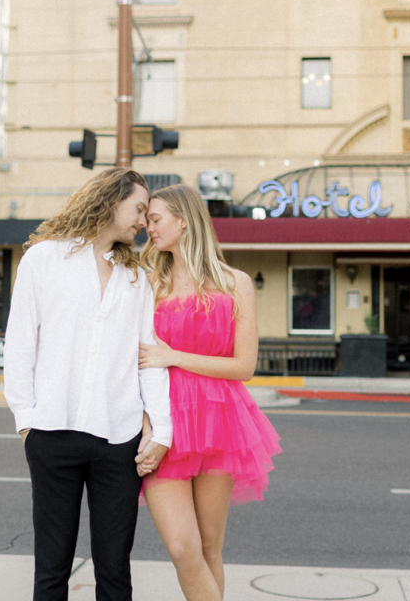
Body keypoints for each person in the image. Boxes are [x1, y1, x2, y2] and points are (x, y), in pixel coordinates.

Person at [3, 168, 172, 601]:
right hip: (52, 433)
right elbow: (20, 345)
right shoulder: (43, 259)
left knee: (115, 571)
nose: (142, 221)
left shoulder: (136, 278)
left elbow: (148, 359)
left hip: (119, 440)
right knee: (52, 569)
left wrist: (162, 430)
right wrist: (27, 423)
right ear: (111, 201)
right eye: (138, 209)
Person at [137, 184, 281, 601]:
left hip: (219, 421)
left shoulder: (235, 283)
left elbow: (244, 367)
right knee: (183, 548)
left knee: (208, 547)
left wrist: (173, 356)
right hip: (165, 425)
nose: (148, 227)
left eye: (156, 218)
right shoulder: (148, 285)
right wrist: (147, 424)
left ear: (184, 220)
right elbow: (134, 365)